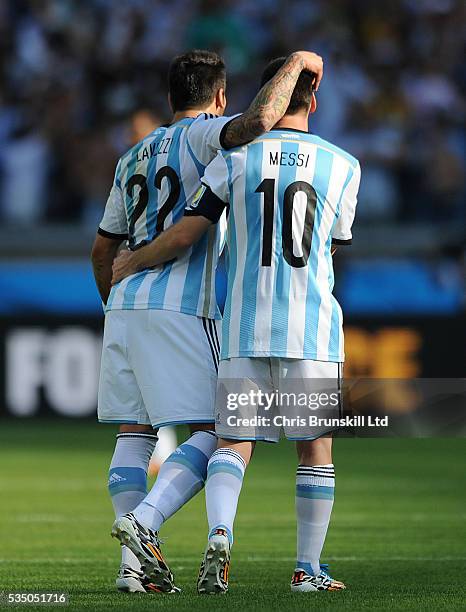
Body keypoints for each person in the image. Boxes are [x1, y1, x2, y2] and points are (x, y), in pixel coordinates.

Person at [111, 56, 360, 595]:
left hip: (244, 325)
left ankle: (216, 533)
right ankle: (306, 570)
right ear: (313, 101)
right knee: (314, 448)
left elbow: (192, 227)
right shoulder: (344, 164)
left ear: (268, 92)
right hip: (311, 326)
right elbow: (334, 242)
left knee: (231, 441)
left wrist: (135, 259)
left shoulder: (235, 157)